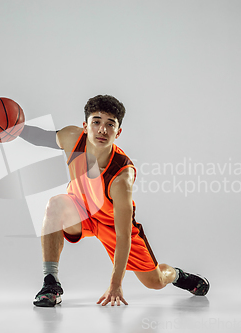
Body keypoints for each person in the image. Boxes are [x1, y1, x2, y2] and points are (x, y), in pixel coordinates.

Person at [20, 95, 209, 307]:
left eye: (110, 124)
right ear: (85, 126)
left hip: (113, 226)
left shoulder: (121, 178)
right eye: (97, 122)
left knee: (154, 282)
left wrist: (116, 284)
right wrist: (14, 129)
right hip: (81, 212)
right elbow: (42, 137)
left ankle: (176, 275)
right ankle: (50, 284)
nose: (102, 130)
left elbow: (123, 234)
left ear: (118, 132)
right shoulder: (72, 138)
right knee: (55, 204)